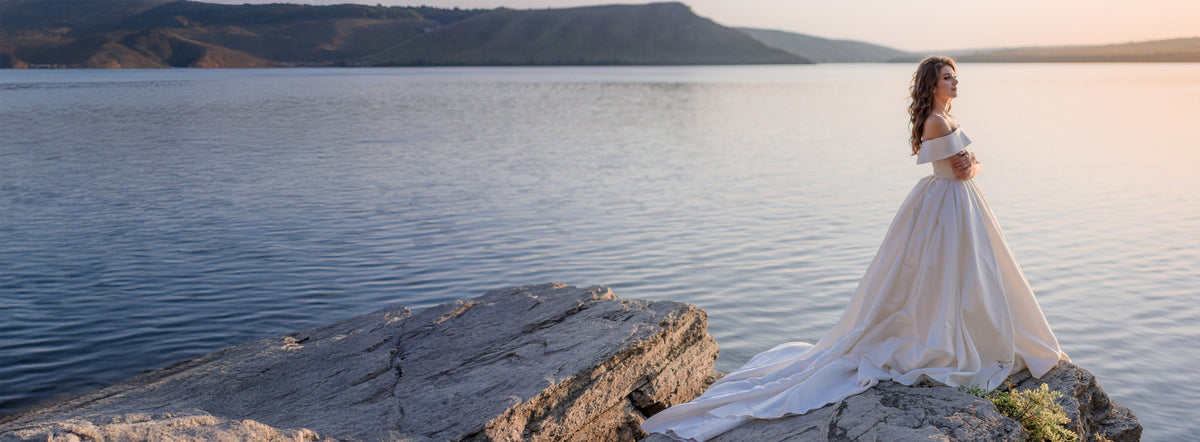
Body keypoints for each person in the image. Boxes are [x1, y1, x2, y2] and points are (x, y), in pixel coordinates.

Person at [641, 56, 1070, 441]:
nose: (955, 82)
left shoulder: (944, 116)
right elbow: (965, 169)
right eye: (947, 77)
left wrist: (973, 163)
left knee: (964, 272)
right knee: (948, 272)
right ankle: (949, 337)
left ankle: (964, 329)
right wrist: (973, 162)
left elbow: (970, 165)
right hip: (948, 202)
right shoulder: (937, 123)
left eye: (956, 76)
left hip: (953, 203)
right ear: (931, 83)